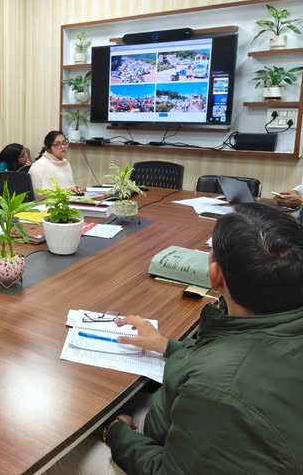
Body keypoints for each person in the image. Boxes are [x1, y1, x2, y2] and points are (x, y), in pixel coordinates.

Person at [54, 203, 303, 474]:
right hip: (215, 435)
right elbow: (227, 357)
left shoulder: (218, 389)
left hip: (177, 444)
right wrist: (166, 346)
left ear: (215, 275)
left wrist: (115, 432)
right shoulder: (271, 326)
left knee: (60, 452)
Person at [28, 131, 83, 199]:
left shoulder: (66, 163)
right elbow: (38, 196)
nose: (63, 147)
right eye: (57, 144)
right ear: (48, 148)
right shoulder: (39, 166)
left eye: (64, 143)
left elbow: (70, 187)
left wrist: (76, 189)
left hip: (69, 200)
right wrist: (66, 191)